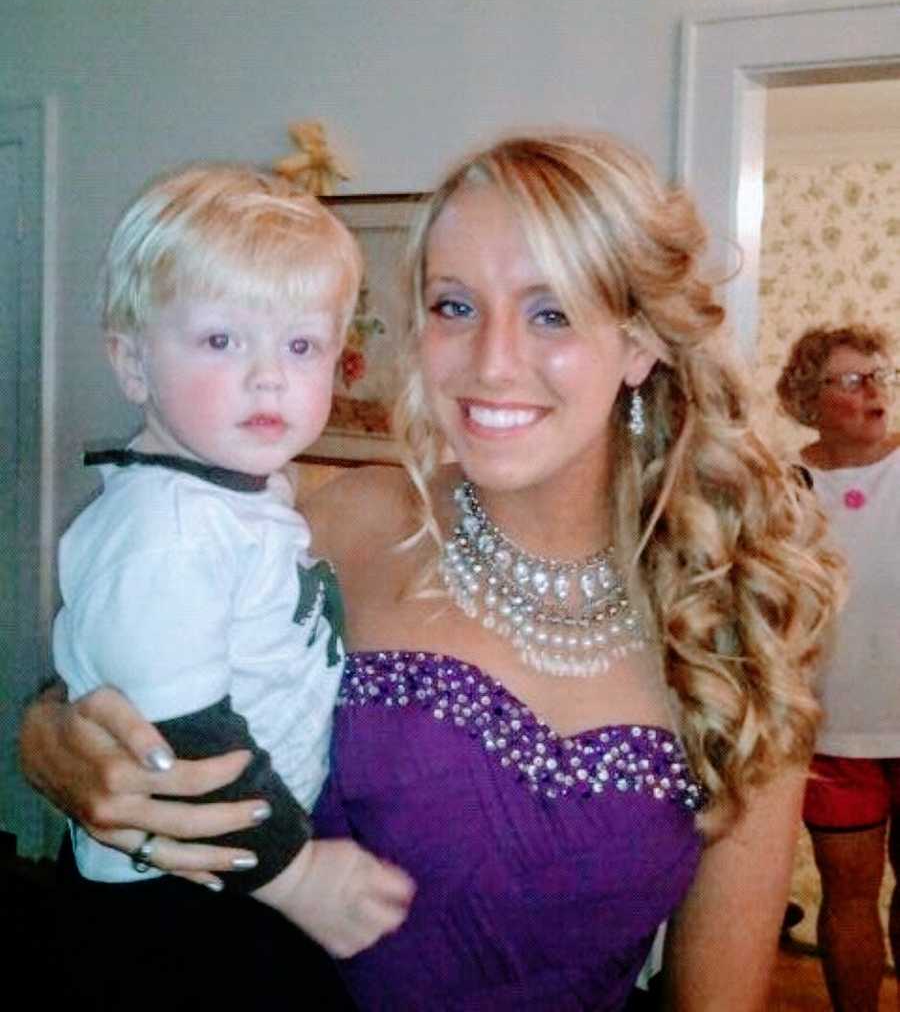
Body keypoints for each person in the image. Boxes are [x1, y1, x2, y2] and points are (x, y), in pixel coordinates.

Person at [22, 133, 842, 1010]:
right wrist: (48, 743)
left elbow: (715, 1000)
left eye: (551, 311)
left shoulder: (740, 619)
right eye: (455, 306)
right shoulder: (338, 520)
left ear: (638, 343)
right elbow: (135, 649)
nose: (490, 362)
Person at [48, 165, 413, 1007]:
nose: (269, 377)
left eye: (301, 345)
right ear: (132, 362)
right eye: (221, 341)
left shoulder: (238, 498)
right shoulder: (165, 527)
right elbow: (179, 729)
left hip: (232, 870)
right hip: (179, 894)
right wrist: (298, 876)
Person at [777, 324, 900, 1012]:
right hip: (833, 733)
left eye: (882, 375)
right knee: (848, 894)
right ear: (808, 396)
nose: (874, 390)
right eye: (851, 379)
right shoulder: (785, 487)